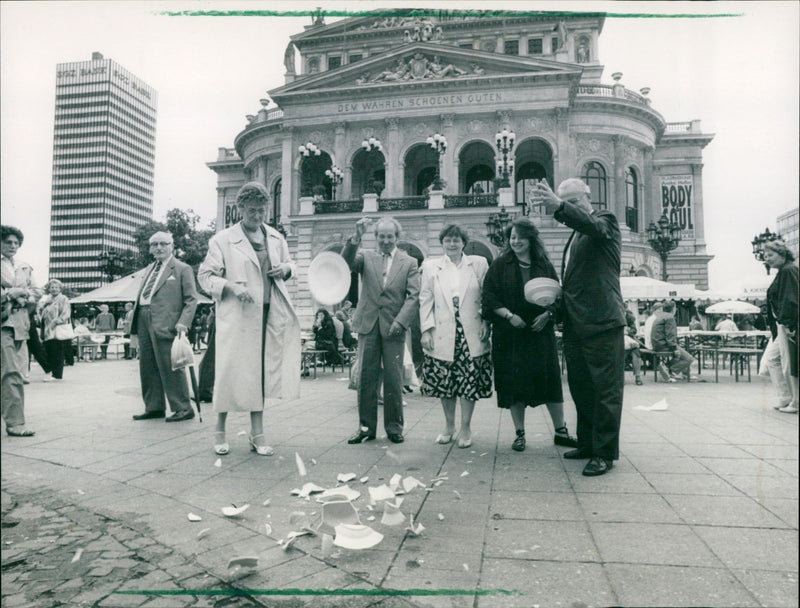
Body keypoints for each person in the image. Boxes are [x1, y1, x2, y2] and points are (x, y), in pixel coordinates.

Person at [198, 182, 301, 455]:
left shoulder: (276, 238)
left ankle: (258, 434)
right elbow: (205, 277)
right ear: (240, 208)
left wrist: (285, 269)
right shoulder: (222, 239)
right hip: (236, 316)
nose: (257, 216)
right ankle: (219, 432)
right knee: (228, 372)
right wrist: (232, 287)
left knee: (259, 376)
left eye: (261, 210)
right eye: (252, 210)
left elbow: (292, 264)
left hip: (268, 314)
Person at [533, 178, 626, 476]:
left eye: (574, 201)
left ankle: (604, 453)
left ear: (588, 196)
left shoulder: (605, 221)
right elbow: (574, 284)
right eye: (566, 201)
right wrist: (554, 305)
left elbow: (593, 226)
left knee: (605, 390)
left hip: (602, 322)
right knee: (582, 388)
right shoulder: (575, 235)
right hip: (576, 324)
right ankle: (587, 443)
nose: (570, 206)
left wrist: (559, 206)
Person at [483, 218, 577, 452]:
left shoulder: (544, 264)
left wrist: (548, 314)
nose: (515, 241)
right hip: (510, 334)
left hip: (539, 332)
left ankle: (561, 431)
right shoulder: (500, 264)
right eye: (512, 237)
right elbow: (489, 296)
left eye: (520, 237)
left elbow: (558, 296)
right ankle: (520, 434)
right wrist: (509, 316)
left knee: (550, 381)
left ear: (531, 239)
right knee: (514, 384)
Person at [341, 217, 420, 445]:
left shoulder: (409, 262)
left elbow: (414, 296)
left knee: (394, 378)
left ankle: (394, 428)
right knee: (366, 377)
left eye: (390, 236)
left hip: (394, 327)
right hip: (368, 324)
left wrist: (401, 322)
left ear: (397, 237)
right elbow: (345, 263)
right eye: (381, 236)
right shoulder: (366, 257)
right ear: (376, 237)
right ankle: (365, 428)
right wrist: (356, 237)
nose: (386, 241)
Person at [420, 224, 492, 449]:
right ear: (442, 243)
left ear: (463, 243)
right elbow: (425, 299)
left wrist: (486, 322)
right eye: (448, 240)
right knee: (445, 381)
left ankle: (466, 427)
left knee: (469, 380)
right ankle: (449, 426)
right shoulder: (431, 266)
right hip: (443, 331)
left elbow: (487, 295)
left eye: (456, 240)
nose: (452, 244)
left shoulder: (478, 264)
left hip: (470, 330)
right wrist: (426, 330)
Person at [130, 231, 198, 423]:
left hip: (168, 323)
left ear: (172, 246)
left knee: (172, 366)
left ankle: (183, 408)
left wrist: (183, 322)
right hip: (143, 318)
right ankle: (154, 407)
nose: (158, 247)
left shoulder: (182, 268)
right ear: (150, 248)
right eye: (154, 244)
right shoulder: (149, 269)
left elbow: (191, 299)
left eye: (163, 244)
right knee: (147, 366)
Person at [1, 225, 40, 436]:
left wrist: (26, 296)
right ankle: (15, 422)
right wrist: (10, 294)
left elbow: (36, 291)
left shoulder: (23, 267)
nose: (13, 246)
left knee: (10, 370)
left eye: (16, 243)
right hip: (3, 323)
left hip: (19, 324)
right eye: (8, 242)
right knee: (11, 371)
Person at [763, 240, 798, 413]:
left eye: (770, 255)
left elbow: (790, 299)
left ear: (782, 254)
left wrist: (788, 323)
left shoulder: (787, 271)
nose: (767, 258)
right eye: (765, 256)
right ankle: (786, 397)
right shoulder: (786, 270)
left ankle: (794, 401)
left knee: (788, 362)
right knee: (774, 360)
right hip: (783, 323)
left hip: (787, 323)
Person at [651, 300, 695, 381]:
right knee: (689, 359)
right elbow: (670, 335)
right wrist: (674, 348)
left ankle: (672, 370)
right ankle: (668, 369)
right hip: (664, 345)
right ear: (673, 309)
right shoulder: (670, 318)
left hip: (657, 344)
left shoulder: (660, 316)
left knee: (681, 354)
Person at [38, 279, 71, 381]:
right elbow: (41, 312)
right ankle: (51, 372)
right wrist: (43, 305)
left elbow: (66, 313)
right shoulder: (47, 299)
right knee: (48, 350)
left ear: (60, 289)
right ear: (49, 289)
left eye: (56, 287)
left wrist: (57, 321)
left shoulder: (63, 299)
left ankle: (57, 374)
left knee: (57, 351)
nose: (54, 289)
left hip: (57, 327)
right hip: (47, 329)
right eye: (52, 287)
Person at [624, 309, 644, 385]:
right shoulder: (614, 316)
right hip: (618, 341)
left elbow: (634, 330)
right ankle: (620, 377)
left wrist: (626, 332)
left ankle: (638, 376)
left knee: (636, 352)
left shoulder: (629, 318)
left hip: (630, 341)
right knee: (621, 353)